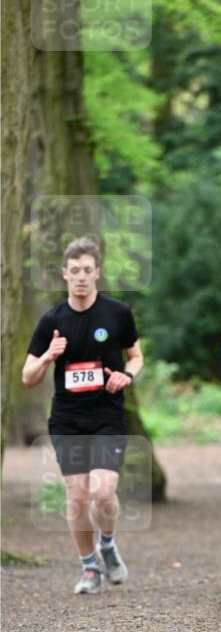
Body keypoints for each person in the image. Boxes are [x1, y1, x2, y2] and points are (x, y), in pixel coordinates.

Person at [22, 236, 143, 594]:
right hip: (68, 419)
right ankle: (89, 568)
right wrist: (48, 356)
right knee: (76, 497)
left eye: (87, 270)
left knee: (103, 493)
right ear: (64, 274)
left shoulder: (117, 313)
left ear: (97, 273)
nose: (80, 277)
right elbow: (27, 377)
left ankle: (107, 544)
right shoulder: (51, 321)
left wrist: (128, 374)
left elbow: (135, 356)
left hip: (107, 416)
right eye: (74, 271)